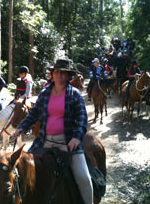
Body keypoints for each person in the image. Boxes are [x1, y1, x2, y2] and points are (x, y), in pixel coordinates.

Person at [12, 59, 93, 204]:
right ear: (52, 74)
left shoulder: (75, 95)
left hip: (68, 143)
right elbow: (33, 113)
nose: (60, 75)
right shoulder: (45, 93)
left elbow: (82, 119)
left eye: (64, 73)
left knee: (84, 179)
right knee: (24, 169)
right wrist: (21, 128)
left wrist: (76, 138)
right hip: (44, 142)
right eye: (57, 72)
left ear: (69, 76)